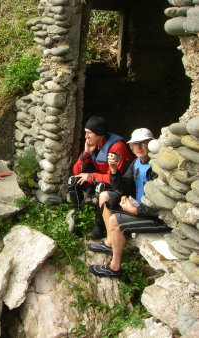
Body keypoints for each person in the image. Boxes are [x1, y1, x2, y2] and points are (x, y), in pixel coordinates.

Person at [88, 128, 170, 278]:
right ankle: (110, 243)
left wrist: (136, 211)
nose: (138, 148)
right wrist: (113, 170)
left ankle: (114, 268)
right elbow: (122, 188)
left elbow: (163, 206)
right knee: (105, 196)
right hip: (139, 205)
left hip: (157, 218)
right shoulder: (136, 163)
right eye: (135, 144)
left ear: (152, 144)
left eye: (143, 143)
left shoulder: (158, 168)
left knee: (115, 221)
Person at [68, 116, 134, 239]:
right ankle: (79, 217)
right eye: (85, 133)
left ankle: (99, 228)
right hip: (101, 178)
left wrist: (91, 176)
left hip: (121, 185)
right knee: (73, 180)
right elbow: (76, 171)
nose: (86, 137)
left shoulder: (117, 147)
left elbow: (114, 178)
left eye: (89, 133)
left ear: (99, 134)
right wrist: (86, 153)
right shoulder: (93, 145)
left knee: (101, 187)